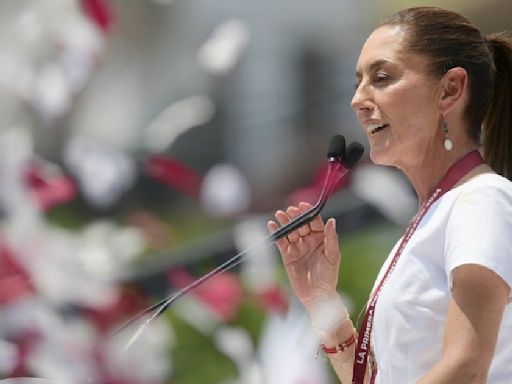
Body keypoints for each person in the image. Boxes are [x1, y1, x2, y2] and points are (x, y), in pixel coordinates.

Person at [267, 6, 512, 384]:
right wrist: (321, 300)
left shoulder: (482, 200)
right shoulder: (437, 215)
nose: (358, 100)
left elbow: (467, 369)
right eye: (357, 83)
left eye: (381, 78)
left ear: (450, 90)